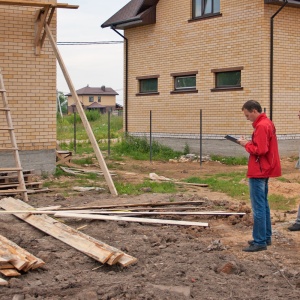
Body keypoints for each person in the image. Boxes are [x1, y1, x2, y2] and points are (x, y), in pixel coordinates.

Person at [238, 100, 281, 252]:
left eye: (247, 115)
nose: (247, 118)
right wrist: (250, 142)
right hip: (264, 168)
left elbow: (261, 149)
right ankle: (265, 237)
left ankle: (260, 241)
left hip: (259, 170)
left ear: (254, 111)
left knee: (258, 207)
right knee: (264, 204)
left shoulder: (262, 126)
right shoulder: (266, 123)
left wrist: (245, 145)